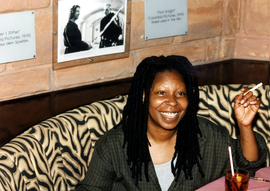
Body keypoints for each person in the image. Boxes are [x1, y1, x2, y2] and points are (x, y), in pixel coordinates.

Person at [75, 55, 267, 190]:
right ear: (143, 97)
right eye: (161, 93)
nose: (173, 102)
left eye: (180, 94)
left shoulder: (205, 135)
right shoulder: (115, 145)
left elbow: (247, 165)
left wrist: (244, 125)